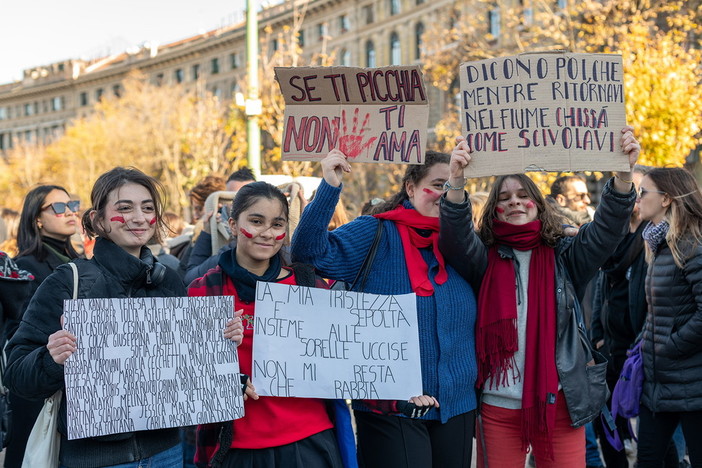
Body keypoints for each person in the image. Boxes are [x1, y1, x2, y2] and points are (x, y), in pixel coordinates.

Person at [439, 126, 640, 468]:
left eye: (521, 195)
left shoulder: (565, 254)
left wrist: (622, 177)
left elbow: (606, 230)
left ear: (536, 203)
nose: (514, 201)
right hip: (496, 405)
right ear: (495, 210)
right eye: (504, 198)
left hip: (559, 401)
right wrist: (456, 183)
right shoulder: (482, 258)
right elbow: (456, 237)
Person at [291, 150, 479, 468]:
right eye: (437, 184)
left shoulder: (463, 244)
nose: (445, 194)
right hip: (389, 407)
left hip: (455, 405)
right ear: (410, 188)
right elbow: (308, 253)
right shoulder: (374, 232)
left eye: (453, 185)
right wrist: (329, 186)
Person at [5, 167, 185, 468]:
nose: (139, 217)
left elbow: (186, 368)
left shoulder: (169, 281)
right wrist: (52, 358)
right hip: (96, 459)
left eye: (148, 208)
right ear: (98, 219)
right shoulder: (68, 282)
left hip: (167, 452)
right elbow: (17, 374)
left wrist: (219, 344)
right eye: (124, 208)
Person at [188, 181, 354, 468]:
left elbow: (346, 358)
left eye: (277, 224)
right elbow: (183, 372)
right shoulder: (203, 290)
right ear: (233, 225)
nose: (267, 233)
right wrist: (221, 378)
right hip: (236, 447)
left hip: (310, 442)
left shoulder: (311, 286)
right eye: (256, 221)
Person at [3, 185, 82, 468]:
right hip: (39, 386)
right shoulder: (24, 265)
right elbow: (20, 333)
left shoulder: (80, 262)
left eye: (73, 204)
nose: (70, 212)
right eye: (58, 207)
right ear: (37, 218)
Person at [634, 167, 702, 468]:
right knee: (648, 459)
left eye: (643, 192)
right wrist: (644, 345)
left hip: (693, 382)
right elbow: (658, 310)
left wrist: (669, 347)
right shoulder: (659, 245)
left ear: (666, 199)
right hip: (658, 380)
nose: (638, 200)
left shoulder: (693, 245)